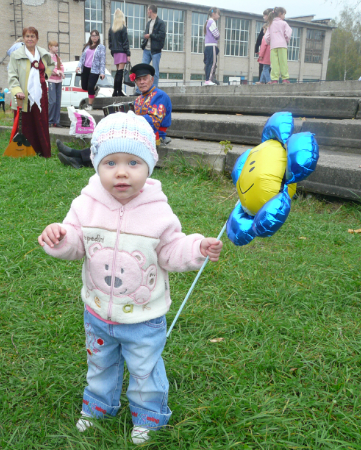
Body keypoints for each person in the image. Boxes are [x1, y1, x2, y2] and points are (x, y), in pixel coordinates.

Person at [39, 111, 223, 445]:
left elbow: (170, 250)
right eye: (110, 163)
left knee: (144, 369)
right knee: (100, 364)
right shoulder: (86, 204)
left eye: (133, 163)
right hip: (97, 312)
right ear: (96, 164)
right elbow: (76, 243)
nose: (121, 172)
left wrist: (196, 247)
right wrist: (60, 238)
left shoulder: (157, 210)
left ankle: (149, 415)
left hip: (143, 317)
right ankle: (98, 406)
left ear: (149, 166)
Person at [56, 63, 172, 169]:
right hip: (139, 132)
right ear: (136, 82)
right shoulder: (139, 98)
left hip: (154, 136)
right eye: (139, 79)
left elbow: (154, 122)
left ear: (152, 80)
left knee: (116, 140)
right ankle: (77, 157)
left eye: (145, 79)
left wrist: (129, 117)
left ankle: (77, 157)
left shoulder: (159, 96)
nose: (142, 82)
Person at [8, 26, 55, 157]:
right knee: (25, 123)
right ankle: (24, 152)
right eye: (27, 36)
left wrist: (45, 75)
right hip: (23, 95)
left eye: (32, 36)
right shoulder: (16, 55)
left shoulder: (43, 53)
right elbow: (12, 75)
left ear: (37, 39)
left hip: (40, 95)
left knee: (41, 122)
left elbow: (51, 64)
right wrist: (17, 91)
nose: (30, 39)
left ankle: (42, 151)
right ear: (24, 38)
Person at [138, 5, 166, 91]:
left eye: (147, 11)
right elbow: (146, 35)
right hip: (146, 50)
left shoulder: (161, 23)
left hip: (156, 51)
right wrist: (143, 42)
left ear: (150, 11)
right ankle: (139, 90)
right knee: (142, 70)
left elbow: (161, 36)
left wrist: (150, 35)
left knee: (155, 72)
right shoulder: (148, 23)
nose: (147, 13)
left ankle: (154, 91)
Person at [76, 30, 106, 111]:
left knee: (90, 86)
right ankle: (95, 89)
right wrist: (78, 66)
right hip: (85, 68)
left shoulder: (101, 47)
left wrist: (102, 72)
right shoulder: (87, 46)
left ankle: (90, 105)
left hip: (94, 70)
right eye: (93, 36)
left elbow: (102, 60)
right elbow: (82, 58)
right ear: (90, 37)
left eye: (96, 36)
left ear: (98, 37)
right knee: (84, 86)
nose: (94, 37)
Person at [265, 7, 292, 84]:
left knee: (274, 63)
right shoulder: (284, 23)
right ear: (280, 14)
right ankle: (284, 78)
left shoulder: (270, 24)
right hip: (282, 45)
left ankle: (274, 79)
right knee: (283, 62)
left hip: (273, 46)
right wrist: (286, 40)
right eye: (284, 14)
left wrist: (269, 42)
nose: (284, 16)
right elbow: (288, 33)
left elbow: (267, 37)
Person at [109, 8, 130, 97]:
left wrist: (112, 51)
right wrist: (128, 53)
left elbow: (110, 42)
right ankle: (119, 91)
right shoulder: (123, 28)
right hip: (122, 51)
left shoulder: (111, 29)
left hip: (115, 52)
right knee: (120, 72)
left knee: (118, 71)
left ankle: (115, 91)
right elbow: (125, 41)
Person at [47, 40, 64, 127]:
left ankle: (56, 121)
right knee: (52, 101)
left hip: (59, 81)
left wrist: (61, 72)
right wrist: (57, 72)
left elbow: (61, 67)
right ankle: (49, 120)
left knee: (58, 101)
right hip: (51, 81)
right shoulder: (47, 57)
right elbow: (49, 68)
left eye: (57, 46)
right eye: (55, 46)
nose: (56, 48)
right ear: (50, 47)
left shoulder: (58, 58)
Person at [254, 9, 273, 82]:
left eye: (264, 15)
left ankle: (266, 81)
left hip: (265, 53)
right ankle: (263, 81)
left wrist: (257, 50)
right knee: (267, 67)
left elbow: (260, 40)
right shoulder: (273, 26)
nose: (263, 17)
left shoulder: (267, 27)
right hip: (271, 51)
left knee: (264, 67)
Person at [203, 7, 221, 86]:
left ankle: (207, 79)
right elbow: (217, 35)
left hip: (207, 45)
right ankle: (209, 79)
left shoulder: (208, 22)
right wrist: (219, 34)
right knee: (212, 63)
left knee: (208, 63)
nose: (219, 16)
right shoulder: (212, 22)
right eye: (218, 14)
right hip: (212, 45)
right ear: (213, 14)